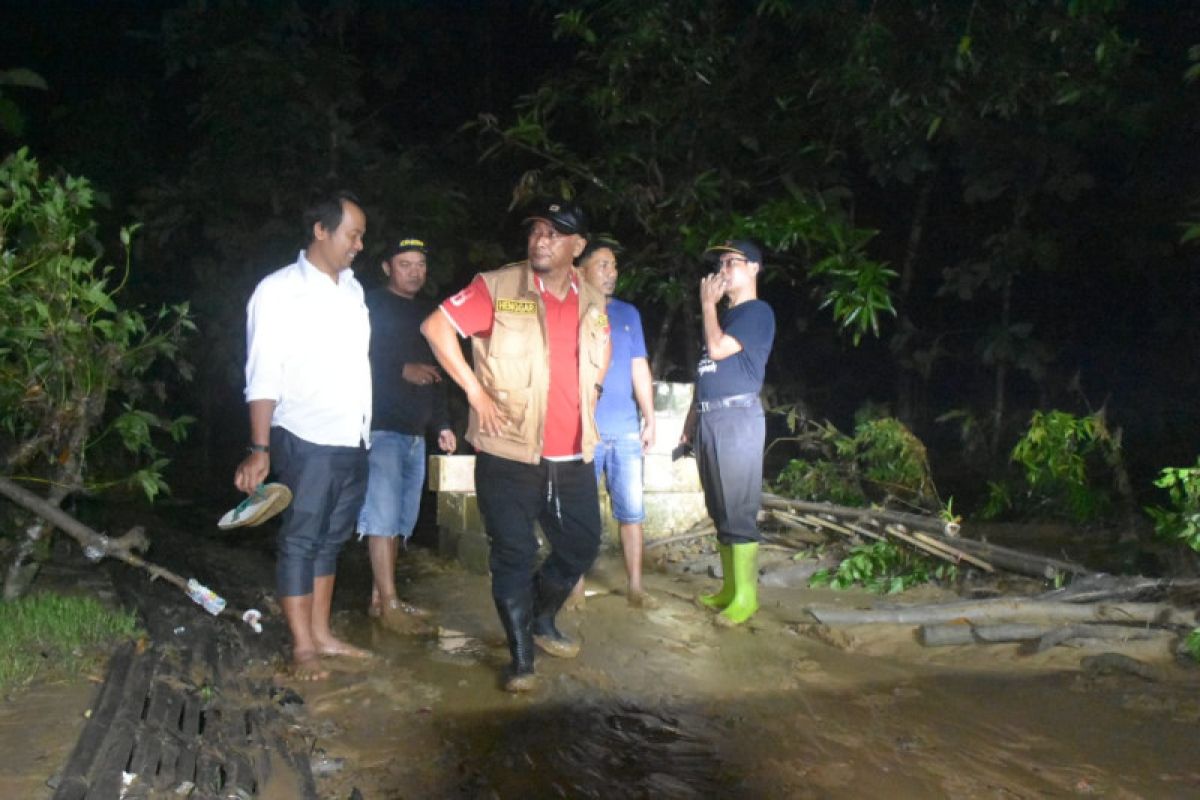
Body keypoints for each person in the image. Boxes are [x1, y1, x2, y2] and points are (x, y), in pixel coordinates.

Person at [421, 198, 610, 692]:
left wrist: (592, 391)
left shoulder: (592, 297)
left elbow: (600, 349)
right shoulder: (499, 287)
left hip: (571, 454)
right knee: (514, 551)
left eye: (554, 232)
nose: (540, 240)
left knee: (582, 543)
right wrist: (474, 391)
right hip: (509, 451)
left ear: (578, 245)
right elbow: (436, 328)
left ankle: (541, 618)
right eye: (536, 231)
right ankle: (522, 658)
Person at [234, 190, 374, 680]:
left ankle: (322, 634)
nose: (359, 245)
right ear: (321, 230)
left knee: (331, 541)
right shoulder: (278, 291)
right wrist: (259, 449)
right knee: (301, 539)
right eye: (352, 234)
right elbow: (263, 374)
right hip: (305, 435)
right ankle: (302, 648)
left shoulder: (353, 291)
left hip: (352, 438)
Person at [357, 236, 456, 632]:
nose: (415, 271)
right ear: (387, 267)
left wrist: (444, 424)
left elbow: (439, 372)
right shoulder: (370, 305)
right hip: (380, 427)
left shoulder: (429, 313)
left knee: (399, 520)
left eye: (420, 264)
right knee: (380, 518)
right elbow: (354, 357)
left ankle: (382, 599)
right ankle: (391, 602)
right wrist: (400, 370)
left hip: (416, 432)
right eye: (405, 264)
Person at [683, 239, 775, 627]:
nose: (722, 270)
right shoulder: (728, 318)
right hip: (711, 418)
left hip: (737, 419)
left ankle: (746, 597)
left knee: (738, 509)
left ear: (754, 267)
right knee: (719, 507)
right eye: (719, 263)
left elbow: (718, 350)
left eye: (731, 262)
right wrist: (690, 424)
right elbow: (707, 372)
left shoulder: (756, 312)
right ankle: (729, 589)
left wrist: (707, 306)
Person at [577, 238, 658, 609]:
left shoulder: (629, 314)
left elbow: (639, 366)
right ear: (581, 270)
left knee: (632, 513)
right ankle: (574, 587)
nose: (612, 273)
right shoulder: (571, 309)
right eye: (603, 266)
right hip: (585, 431)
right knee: (579, 513)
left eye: (614, 266)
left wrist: (650, 418)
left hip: (625, 429)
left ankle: (636, 587)